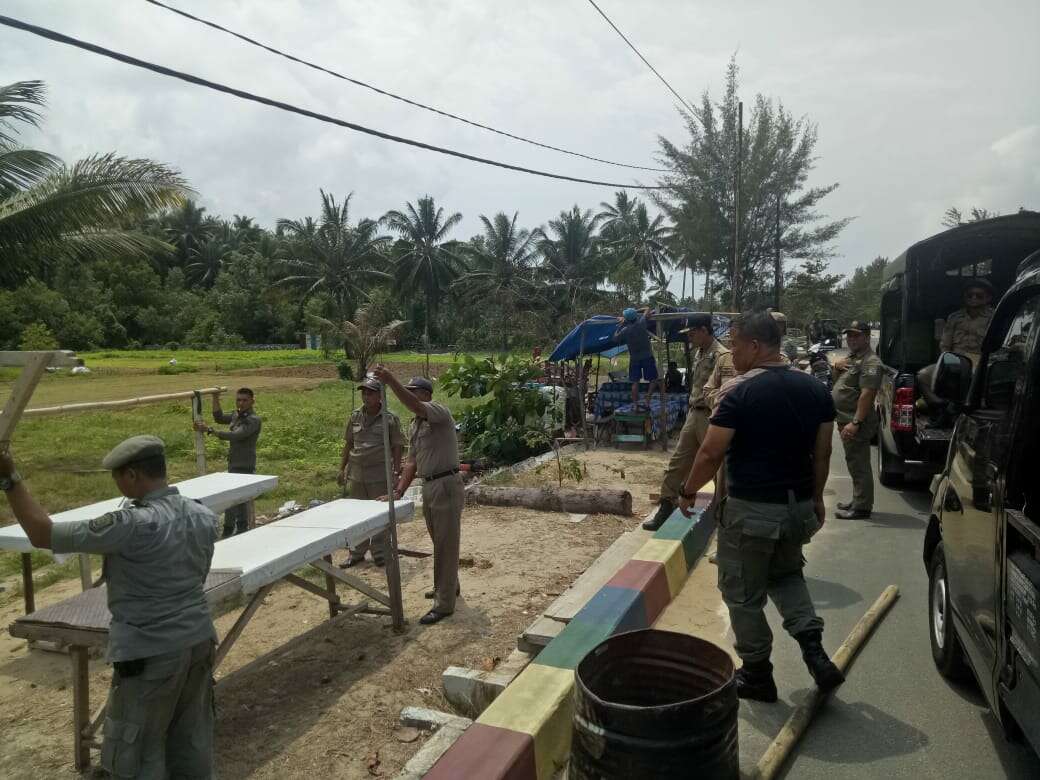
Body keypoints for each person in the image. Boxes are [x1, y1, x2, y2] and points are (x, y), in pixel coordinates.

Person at [0, 436, 219, 777]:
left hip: (149, 652)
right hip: (198, 642)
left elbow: (42, 534)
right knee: (189, 743)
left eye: (117, 476)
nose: (116, 483)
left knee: (136, 750)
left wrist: (9, 479)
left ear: (132, 476)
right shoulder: (203, 515)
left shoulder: (129, 525)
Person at [675, 311, 844, 701]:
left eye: (735, 345)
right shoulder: (816, 390)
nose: (731, 354)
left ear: (755, 345)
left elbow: (710, 453)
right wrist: (816, 499)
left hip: (751, 511)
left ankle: (757, 674)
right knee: (787, 577)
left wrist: (687, 491)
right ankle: (814, 651)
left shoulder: (738, 391)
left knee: (742, 593)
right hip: (796, 507)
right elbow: (823, 454)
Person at [371, 368, 463, 626]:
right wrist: (398, 491)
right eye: (408, 391)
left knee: (446, 543)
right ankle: (449, 585)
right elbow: (411, 462)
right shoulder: (416, 424)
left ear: (425, 395)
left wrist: (390, 381)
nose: (409, 398)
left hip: (446, 484)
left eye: (414, 393)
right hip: (430, 486)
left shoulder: (438, 412)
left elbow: (412, 404)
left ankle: (444, 604)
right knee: (440, 541)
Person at [644, 314, 733, 531]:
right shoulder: (700, 353)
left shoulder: (722, 355)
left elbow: (726, 391)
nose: (690, 338)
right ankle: (666, 506)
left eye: (692, 333)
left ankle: (724, 518)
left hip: (711, 416)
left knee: (718, 468)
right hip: (694, 413)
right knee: (678, 462)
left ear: (704, 330)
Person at [338, 377, 404, 568]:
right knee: (356, 514)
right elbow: (349, 443)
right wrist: (341, 469)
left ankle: (380, 552)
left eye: (371, 393)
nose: (366, 397)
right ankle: (357, 552)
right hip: (357, 473)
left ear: (380, 395)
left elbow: (397, 446)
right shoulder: (355, 416)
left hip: (379, 473)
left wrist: (396, 470)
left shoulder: (389, 418)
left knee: (379, 515)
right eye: (364, 393)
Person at [917, 278, 996, 416]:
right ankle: (940, 406)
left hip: (981, 363)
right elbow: (945, 345)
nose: (973, 298)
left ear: (988, 298)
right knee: (922, 376)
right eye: (970, 295)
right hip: (955, 360)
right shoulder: (954, 317)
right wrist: (949, 363)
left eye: (979, 295)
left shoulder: (995, 317)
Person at [831, 321, 882, 519]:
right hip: (845, 418)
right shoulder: (853, 358)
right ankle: (858, 498)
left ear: (867, 337)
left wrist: (856, 422)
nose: (851, 339)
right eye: (849, 336)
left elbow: (867, 395)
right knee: (853, 462)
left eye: (856, 336)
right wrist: (835, 365)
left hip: (856, 421)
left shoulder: (871, 362)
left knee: (859, 463)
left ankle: (862, 507)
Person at [196, 387, 262, 537]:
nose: (241, 403)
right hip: (233, 463)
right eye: (239, 399)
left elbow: (235, 436)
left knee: (236, 500)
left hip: (245, 465)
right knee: (234, 499)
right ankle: (233, 530)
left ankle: (236, 530)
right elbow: (218, 417)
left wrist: (210, 430)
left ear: (252, 401)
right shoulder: (236, 415)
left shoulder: (253, 420)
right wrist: (215, 397)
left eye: (245, 400)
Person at [614, 307, 660, 406]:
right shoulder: (641, 323)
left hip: (634, 358)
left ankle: (635, 405)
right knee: (654, 380)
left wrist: (621, 325)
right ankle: (648, 395)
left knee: (635, 382)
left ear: (626, 319)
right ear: (635, 317)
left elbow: (615, 338)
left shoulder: (625, 330)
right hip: (647, 356)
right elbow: (648, 308)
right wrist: (636, 311)